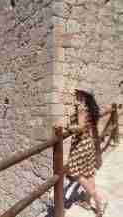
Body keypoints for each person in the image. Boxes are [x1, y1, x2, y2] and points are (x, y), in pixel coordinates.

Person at [55, 88, 108, 217]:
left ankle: (99, 199)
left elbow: (80, 127)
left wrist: (66, 127)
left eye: (77, 93)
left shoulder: (81, 109)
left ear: (83, 95)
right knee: (88, 173)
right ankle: (87, 201)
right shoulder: (90, 108)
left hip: (80, 145)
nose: (75, 95)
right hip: (88, 144)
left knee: (74, 171)